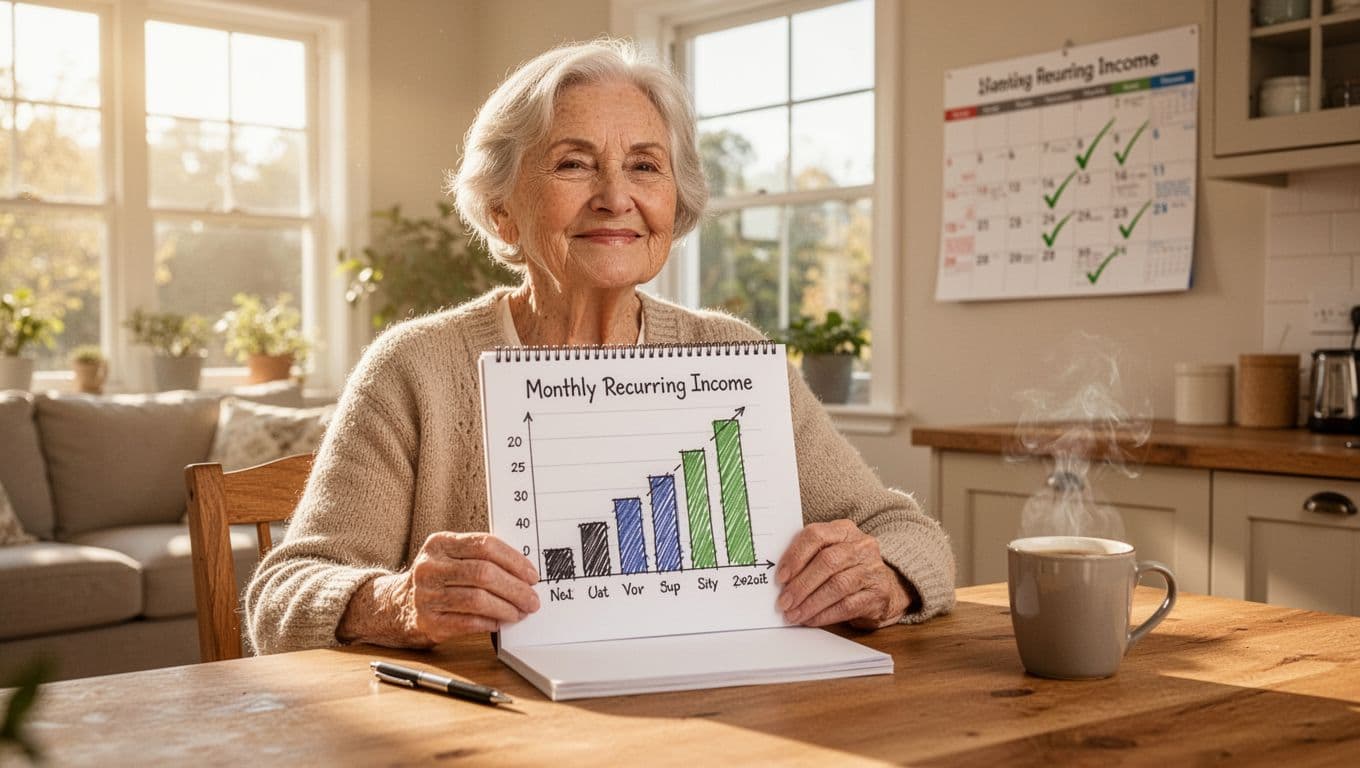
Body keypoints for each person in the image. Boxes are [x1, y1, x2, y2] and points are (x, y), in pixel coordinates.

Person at [245, 39, 955, 654]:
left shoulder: (732, 355)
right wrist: (394, 602)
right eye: (573, 164)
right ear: (501, 209)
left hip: (723, 702)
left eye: (645, 166)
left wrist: (883, 577)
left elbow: (907, 532)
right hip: (491, 726)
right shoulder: (415, 368)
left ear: (675, 203)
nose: (616, 197)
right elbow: (283, 592)